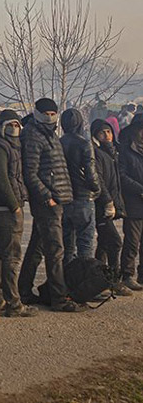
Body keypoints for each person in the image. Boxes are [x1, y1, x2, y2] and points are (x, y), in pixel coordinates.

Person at [18, 98, 86, 312]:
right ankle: (59, 298)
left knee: (37, 248)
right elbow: (30, 173)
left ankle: (24, 290)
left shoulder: (49, 134)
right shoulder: (33, 135)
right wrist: (47, 197)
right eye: (45, 114)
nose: (49, 117)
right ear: (37, 114)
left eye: (52, 114)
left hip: (56, 199)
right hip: (48, 202)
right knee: (55, 250)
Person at [0, 110, 38, 318]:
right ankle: (14, 303)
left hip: (8, 205)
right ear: (1, 126)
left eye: (16, 124)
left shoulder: (12, 146)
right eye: (10, 125)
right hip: (6, 208)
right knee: (12, 256)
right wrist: (14, 205)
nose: (14, 128)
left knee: (1, 253)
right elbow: (0, 179)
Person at [91, 119, 133, 296]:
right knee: (115, 242)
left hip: (110, 203)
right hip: (101, 205)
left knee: (103, 244)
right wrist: (108, 201)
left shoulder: (112, 153)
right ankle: (114, 281)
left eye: (108, 131)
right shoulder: (97, 154)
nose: (106, 135)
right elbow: (99, 180)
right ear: (95, 135)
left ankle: (98, 281)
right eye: (102, 132)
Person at [60, 108, 101, 265]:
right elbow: (91, 173)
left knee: (67, 246)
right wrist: (97, 188)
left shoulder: (58, 143)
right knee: (85, 244)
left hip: (64, 197)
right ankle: (83, 276)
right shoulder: (84, 144)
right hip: (83, 197)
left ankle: (66, 276)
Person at [118, 115, 143, 291]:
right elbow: (121, 175)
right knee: (132, 242)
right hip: (133, 202)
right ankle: (127, 274)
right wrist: (140, 189)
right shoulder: (125, 151)